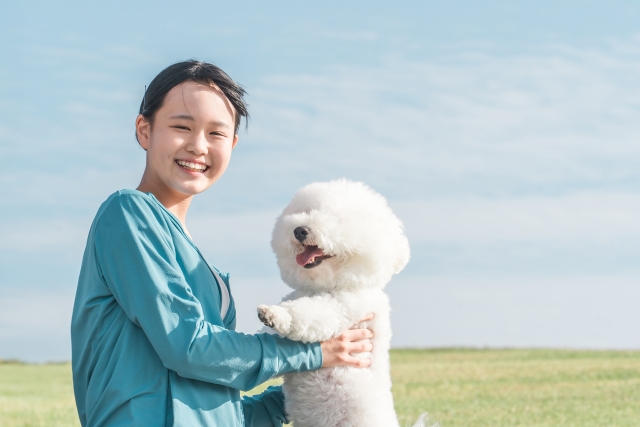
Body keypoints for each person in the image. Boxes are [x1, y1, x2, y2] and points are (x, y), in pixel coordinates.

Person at [71, 60, 374, 427]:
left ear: (231, 144)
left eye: (216, 134)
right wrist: (310, 353)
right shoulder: (129, 214)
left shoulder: (206, 270)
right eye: (182, 126)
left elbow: (216, 410)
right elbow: (188, 346)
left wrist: (318, 382)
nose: (198, 146)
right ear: (144, 130)